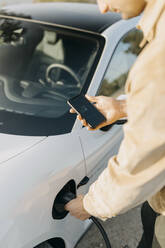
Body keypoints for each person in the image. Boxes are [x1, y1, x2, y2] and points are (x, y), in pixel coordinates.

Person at [65, 0, 165, 247]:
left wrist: (90, 204)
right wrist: (121, 107)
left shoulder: (158, 58)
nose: (102, 7)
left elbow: (139, 162)